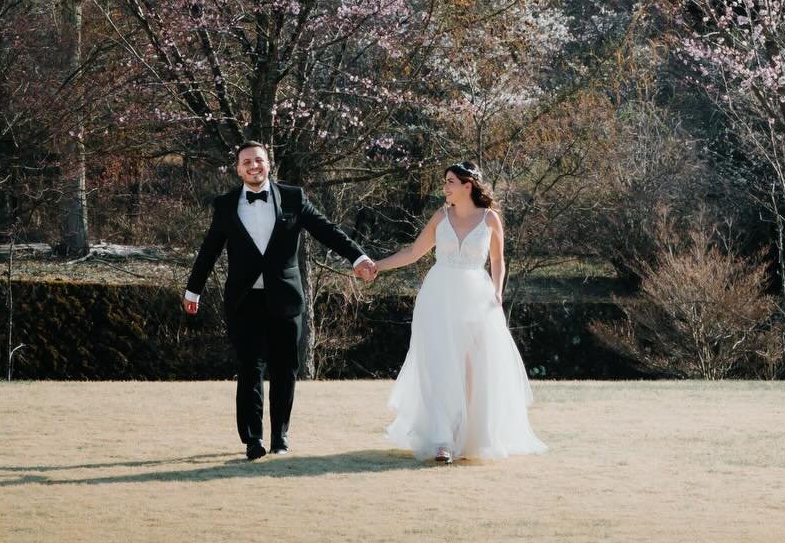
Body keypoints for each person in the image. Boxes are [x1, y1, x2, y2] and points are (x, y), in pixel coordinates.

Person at [183, 140, 376, 459]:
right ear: (238, 169)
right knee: (250, 368)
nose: (253, 166)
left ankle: (280, 437)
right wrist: (194, 290)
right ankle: (253, 439)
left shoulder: (293, 197)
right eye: (246, 162)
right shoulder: (226, 204)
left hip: (285, 299)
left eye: (258, 160)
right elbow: (209, 249)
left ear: (268, 164)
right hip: (244, 301)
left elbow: (326, 231)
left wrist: (358, 258)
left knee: (286, 369)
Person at [366, 162, 546, 463]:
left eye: (451, 181)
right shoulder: (441, 216)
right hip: (438, 297)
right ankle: (442, 440)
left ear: (468, 185)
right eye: (445, 182)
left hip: (476, 297)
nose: (445, 187)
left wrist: (498, 292)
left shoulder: (490, 219)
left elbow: (498, 261)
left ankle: (468, 434)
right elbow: (413, 252)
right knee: (439, 365)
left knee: (471, 369)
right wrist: (376, 266)